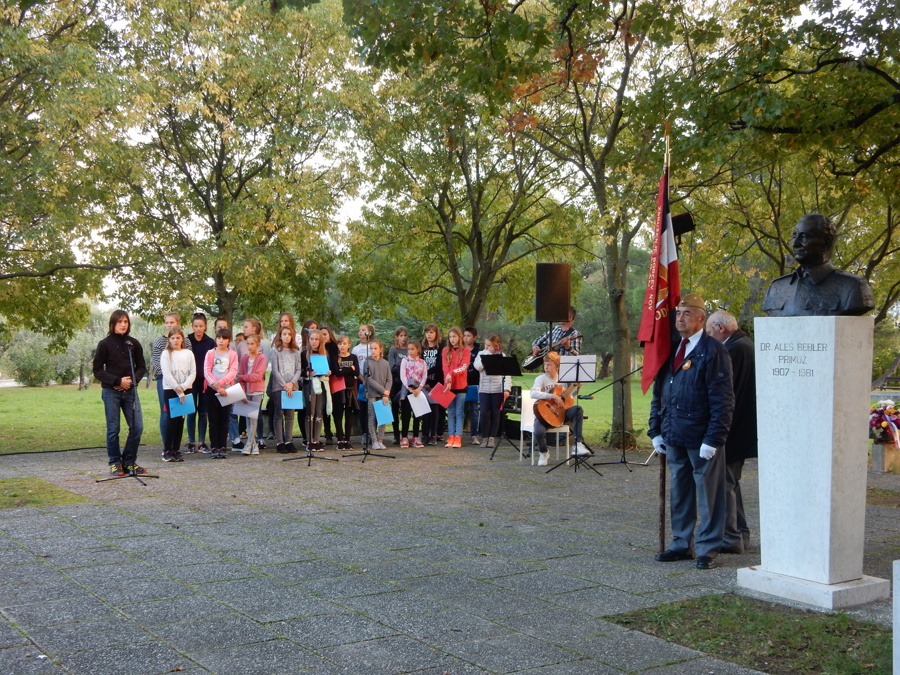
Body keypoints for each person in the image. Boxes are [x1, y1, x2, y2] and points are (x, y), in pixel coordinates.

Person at [650, 294, 734, 570]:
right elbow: (659, 392)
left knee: (708, 494)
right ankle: (680, 543)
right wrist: (656, 429)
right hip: (674, 432)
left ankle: (707, 547)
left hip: (701, 436)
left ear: (702, 318)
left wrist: (714, 438)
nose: (680, 319)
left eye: (687, 313)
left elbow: (723, 399)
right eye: (678, 314)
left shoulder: (713, 350)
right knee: (680, 491)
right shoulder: (671, 348)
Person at [706, 310, 758, 554]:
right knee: (730, 483)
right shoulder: (743, 345)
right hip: (739, 427)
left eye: (708, 332)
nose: (708, 337)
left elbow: (725, 392)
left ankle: (733, 536)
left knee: (726, 484)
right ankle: (739, 535)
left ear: (720, 328)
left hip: (733, 428)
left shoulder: (734, 349)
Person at [761, 213, 875, 316]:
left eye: (804, 236)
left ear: (825, 242)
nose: (795, 244)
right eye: (795, 236)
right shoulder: (777, 287)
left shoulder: (853, 286)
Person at [93, 309, 147, 476]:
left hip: (130, 392)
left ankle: (129, 461)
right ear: (113, 324)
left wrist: (131, 381)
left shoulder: (133, 344)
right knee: (113, 428)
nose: (123, 325)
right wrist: (117, 381)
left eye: (126, 322)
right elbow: (97, 371)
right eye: (120, 322)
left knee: (137, 427)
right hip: (111, 392)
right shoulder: (104, 344)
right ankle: (115, 462)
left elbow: (141, 367)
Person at [530, 352, 589, 466]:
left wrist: (577, 387)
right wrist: (553, 396)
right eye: (545, 364)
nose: (546, 367)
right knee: (538, 432)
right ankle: (543, 452)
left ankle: (577, 444)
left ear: (557, 367)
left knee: (577, 409)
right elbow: (533, 393)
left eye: (549, 365)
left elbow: (568, 399)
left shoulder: (564, 379)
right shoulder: (541, 379)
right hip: (544, 415)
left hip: (561, 413)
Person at [150, 313, 191, 446]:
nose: (169, 325)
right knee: (166, 411)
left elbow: (189, 362)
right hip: (165, 381)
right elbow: (156, 362)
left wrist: (183, 384)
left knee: (180, 413)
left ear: (178, 323)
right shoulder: (159, 342)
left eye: (172, 322)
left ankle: (175, 446)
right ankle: (167, 444)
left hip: (183, 382)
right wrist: (170, 378)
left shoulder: (186, 341)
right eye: (167, 323)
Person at [160, 326, 195, 463]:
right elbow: (167, 373)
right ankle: (167, 449)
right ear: (169, 339)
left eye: (178, 338)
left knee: (180, 420)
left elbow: (193, 372)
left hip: (186, 388)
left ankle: (176, 449)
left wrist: (184, 387)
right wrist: (177, 388)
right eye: (172, 338)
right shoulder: (166, 354)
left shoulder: (188, 353)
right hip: (171, 390)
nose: (175, 340)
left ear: (182, 339)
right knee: (171, 420)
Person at [203, 328, 238, 459]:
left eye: (224, 338)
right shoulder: (210, 353)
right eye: (219, 338)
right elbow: (207, 370)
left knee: (224, 419)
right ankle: (214, 446)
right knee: (213, 419)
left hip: (227, 391)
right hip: (212, 390)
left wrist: (222, 384)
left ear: (229, 340)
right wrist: (216, 386)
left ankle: (222, 446)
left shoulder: (233, 354)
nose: (221, 341)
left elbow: (233, 371)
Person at [473, 335, 511, 449]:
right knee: (484, 413)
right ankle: (484, 437)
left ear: (496, 345)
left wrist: (507, 389)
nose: (487, 347)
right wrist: (488, 354)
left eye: (489, 345)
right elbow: (478, 367)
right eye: (486, 344)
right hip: (484, 389)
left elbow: (507, 374)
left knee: (495, 413)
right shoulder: (481, 354)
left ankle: (492, 438)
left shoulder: (501, 356)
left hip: (497, 389)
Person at [185, 313, 215, 454]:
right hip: (190, 382)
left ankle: (202, 442)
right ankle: (191, 442)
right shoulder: (187, 340)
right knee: (191, 411)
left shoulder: (210, 342)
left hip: (205, 382)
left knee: (203, 412)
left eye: (201, 326)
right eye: (196, 326)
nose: (198, 329)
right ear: (192, 326)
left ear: (205, 327)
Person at [272, 325, 302, 454]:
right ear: (280, 335)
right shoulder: (276, 351)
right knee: (279, 414)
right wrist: (284, 385)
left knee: (290, 415)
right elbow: (275, 370)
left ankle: (289, 440)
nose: (287, 337)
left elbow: (298, 369)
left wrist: (291, 384)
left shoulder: (296, 351)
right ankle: (280, 441)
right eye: (284, 334)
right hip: (279, 387)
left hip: (292, 387)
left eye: (289, 334)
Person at [301, 328, 331, 452]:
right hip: (310, 384)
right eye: (311, 339)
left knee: (319, 412)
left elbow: (327, 369)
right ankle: (309, 440)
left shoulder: (324, 354)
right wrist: (308, 372)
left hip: (322, 385)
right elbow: (301, 370)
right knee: (310, 412)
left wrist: (328, 372)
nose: (314, 342)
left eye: (316, 339)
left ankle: (317, 440)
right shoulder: (304, 354)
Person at [237, 333, 267, 456]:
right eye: (248, 344)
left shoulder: (261, 357)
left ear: (258, 345)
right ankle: (254, 444)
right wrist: (243, 390)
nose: (250, 346)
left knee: (253, 418)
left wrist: (242, 377)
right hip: (246, 391)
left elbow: (257, 376)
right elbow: (241, 376)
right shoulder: (244, 358)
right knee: (247, 417)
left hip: (257, 390)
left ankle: (248, 444)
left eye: (252, 344)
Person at [442, 327, 470, 448]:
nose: (452, 339)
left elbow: (463, 367)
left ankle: (458, 436)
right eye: (450, 337)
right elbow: (445, 367)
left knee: (459, 411)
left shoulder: (466, 350)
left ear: (459, 337)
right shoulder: (445, 350)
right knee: (451, 411)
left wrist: (451, 374)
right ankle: (451, 436)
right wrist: (448, 380)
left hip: (461, 386)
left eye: (454, 336)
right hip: (449, 386)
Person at [332, 335, 361, 450]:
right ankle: (340, 438)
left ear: (349, 345)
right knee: (338, 414)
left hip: (350, 389)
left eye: (344, 343)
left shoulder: (353, 357)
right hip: (339, 390)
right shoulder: (335, 358)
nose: (342, 346)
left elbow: (357, 372)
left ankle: (347, 439)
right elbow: (337, 373)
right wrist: (350, 369)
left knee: (349, 415)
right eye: (340, 344)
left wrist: (344, 370)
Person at [399, 340, 428, 448]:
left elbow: (424, 376)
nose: (410, 351)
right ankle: (404, 437)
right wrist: (409, 388)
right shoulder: (405, 361)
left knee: (418, 415)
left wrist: (419, 388)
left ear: (418, 350)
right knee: (406, 414)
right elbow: (403, 376)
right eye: (409, 349)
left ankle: (416, 437)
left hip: (418, 390)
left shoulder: (422, 362)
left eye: (413, 349)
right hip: (408, 390)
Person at [365, 339, 392, 450]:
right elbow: (368, 379)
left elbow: (389, 379)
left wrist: (386, 392)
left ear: (381, 349)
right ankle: (374, 440)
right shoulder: (367, 362)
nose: (373, 351)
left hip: (383, 395)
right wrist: (382, 390)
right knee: (372, 417)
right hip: (372, 394)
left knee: (383, 417)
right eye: (371, 348)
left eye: (375, 348)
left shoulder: (385, 363)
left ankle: (380, 440)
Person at [421, 323, 444, 445]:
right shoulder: (422, 347)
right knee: (425, 409)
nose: (429, 334)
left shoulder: (441, 347)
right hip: (424, 383)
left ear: (436, 333)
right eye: (427, 332)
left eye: (431, 332)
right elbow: (419, 363)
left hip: (437, 383)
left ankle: (434, 434)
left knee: (436, 410)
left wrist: (428, 374)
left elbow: (440, 365)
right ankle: (425, 433)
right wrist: (424, 380)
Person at [388, 326, 409, 446]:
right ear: (397, 337)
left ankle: (404, 435)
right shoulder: (393, 350)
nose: (403, 338)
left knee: (406, 409)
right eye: (401, 335)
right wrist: (404, 364)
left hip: (407, 383)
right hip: (395, 383)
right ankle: (396, 434)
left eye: (405, 335)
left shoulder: (409, 349)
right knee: (395, 409)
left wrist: (401, 366)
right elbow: (392, 367)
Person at [463, 327, 482, 445]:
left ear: (474, 337)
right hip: (461, 384)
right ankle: (457, 434)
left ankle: (474, 435)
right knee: (461, 410)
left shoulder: (479, 351)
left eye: (468, 336)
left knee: (475, 410)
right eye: (464, 335)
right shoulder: (459, 350)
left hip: (474, 384)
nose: (466, 338)